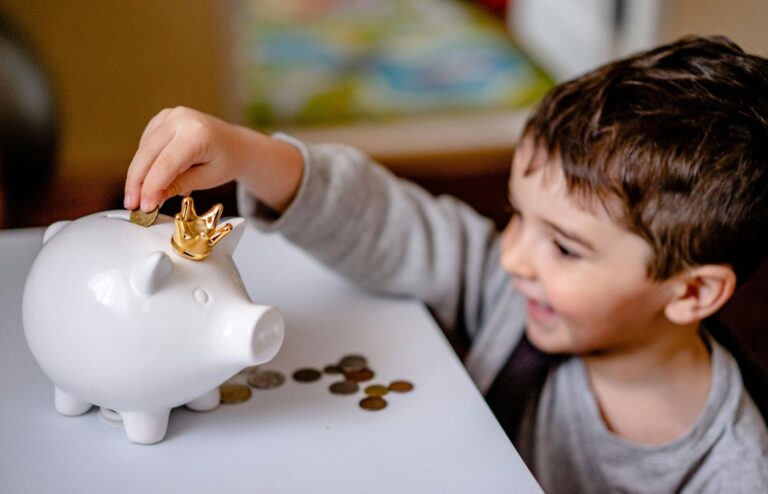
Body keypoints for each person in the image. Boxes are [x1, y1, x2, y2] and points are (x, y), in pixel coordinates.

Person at [124, 36, 768, 492]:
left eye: (565, 247)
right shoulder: (514, 291)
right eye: (518, 215)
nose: (511, 255)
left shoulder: (736, 471)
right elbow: (387, 220)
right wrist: (247, 153)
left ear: (692, 293)